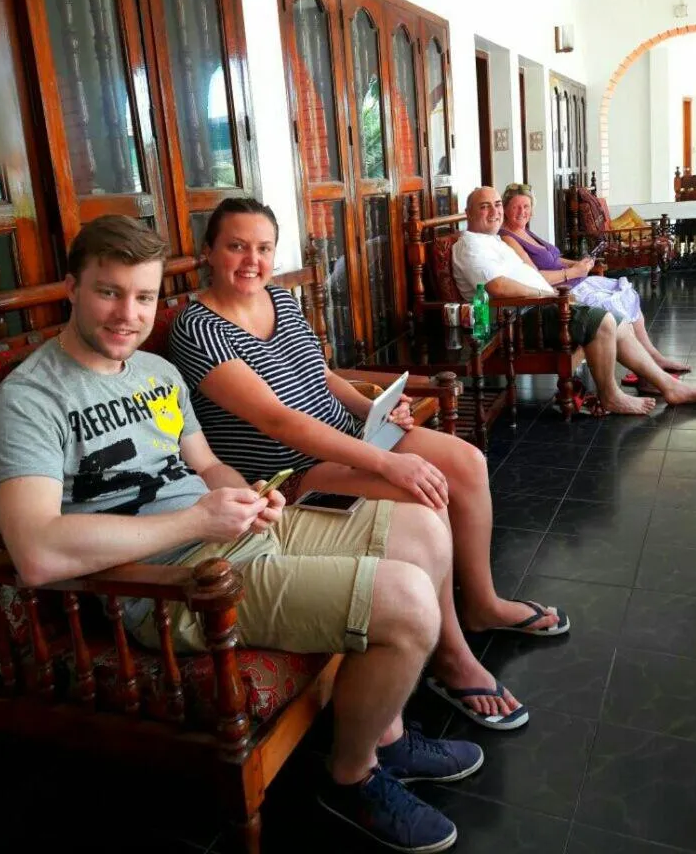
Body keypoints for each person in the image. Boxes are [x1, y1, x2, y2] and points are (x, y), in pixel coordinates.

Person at [0, 215, 485, 854]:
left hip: (232, 536)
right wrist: (199, 520)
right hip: (173, 587)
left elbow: (204, 464)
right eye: (107, 292)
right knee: (409, 601)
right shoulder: (29, 398)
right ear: (72, 289)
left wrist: (247, 495)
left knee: (422, 528)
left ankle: (386, 734)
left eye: (142, 297)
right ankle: (350, 776)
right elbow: (35, 551)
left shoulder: (154, 374)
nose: (127, 314)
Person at [168, 197, 569, 729]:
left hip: (349, 434)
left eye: (263, 248)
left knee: (466, 462)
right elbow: (280, 423)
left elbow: (320, 371)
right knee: (420, 490)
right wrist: (385, 465)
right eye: (236, 246)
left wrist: (375, 407)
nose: (251, 260)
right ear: (209, 253)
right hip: (295, 470)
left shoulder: (281, 301)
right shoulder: (196, 328)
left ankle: (482, 603)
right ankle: (450, 655)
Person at [452, 187, 696, 414]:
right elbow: (498, 287)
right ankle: (610, 396)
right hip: (518, 318)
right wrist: (547, 294)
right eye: (485, 206)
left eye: (497, 204)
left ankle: (669, 387)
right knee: (604, 321)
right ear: (469, 213)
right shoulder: (471, 245)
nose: (495, 211)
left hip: (540, 305)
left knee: (620, 323)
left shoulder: (493, 241)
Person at [499, 182, 691, 388]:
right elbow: (534, 277)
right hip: (564, 292)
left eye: (526, 207)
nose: (522, 212)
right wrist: (573, 272)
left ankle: (653, 357)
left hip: (576, 281)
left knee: (627, 294)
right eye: (516, 207)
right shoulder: (508, 238)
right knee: (614, 306)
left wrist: (580, 264)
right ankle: (643, 372)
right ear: (505, 208)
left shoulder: (525, 232)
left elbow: (554, 260)